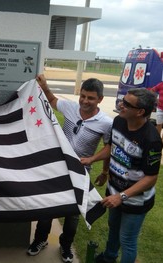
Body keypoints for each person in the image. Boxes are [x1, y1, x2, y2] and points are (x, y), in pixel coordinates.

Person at [26, 74, 113, 262]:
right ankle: (40, 240)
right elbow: (52, 100)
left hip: (81, 173)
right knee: (48, 206)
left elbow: (109, 147)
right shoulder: (71, 107)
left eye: (90, 98)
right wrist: (45, 85)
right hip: (57, 168)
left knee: (73, 214)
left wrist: (96, 163)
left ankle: (65, 246)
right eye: (82, 96)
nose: (85, 101)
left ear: (100, 99)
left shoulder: (106, 123)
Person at [81, 88, 163, 263]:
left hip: (134, 201)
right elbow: (112, 146)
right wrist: (92, 159)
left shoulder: (152, 139)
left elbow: (151, 178)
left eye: (126, 104)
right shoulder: (119, 121)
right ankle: (109, 257)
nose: (120, 105)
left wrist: (122, 196)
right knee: (113, 228)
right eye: (122, 101)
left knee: (127, 240)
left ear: (140, 112)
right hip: (114, 192)